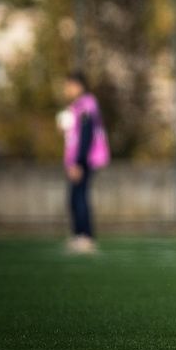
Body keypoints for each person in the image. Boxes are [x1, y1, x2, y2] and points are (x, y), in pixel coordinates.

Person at [58, 72, 109, 254]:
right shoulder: (78, 106)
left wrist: (78, 162)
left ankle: (85, 236)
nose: (67, 90)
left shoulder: (87, 105)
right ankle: (80, 235)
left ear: (79, 86)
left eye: (69, 86)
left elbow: (86, 135)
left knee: (79, 197)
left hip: (84, 159)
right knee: (75, 197)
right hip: (77, 159)